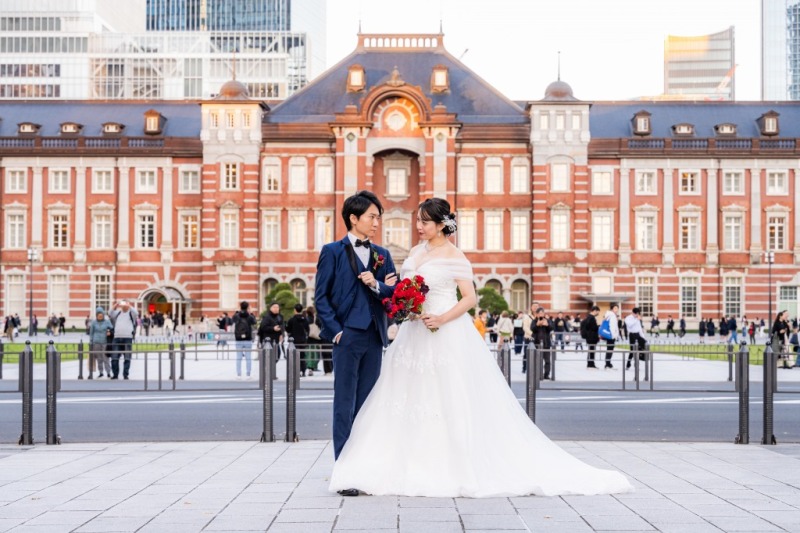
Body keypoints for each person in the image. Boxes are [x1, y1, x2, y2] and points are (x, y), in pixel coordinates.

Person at [329, 198, 633, 497]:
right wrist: (403, 306)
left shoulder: (455, 256)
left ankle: (446, 463)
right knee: (402, 395)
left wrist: (442, 318)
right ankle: (393, 462)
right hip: (414, 332)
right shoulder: (414, 251)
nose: (418, 226)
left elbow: (470, 298)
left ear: (441, 225)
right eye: (418, 220)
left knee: (446, 397)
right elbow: (402, 291)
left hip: (444, 330)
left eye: (424, 221)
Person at [314, 190, 397, 478]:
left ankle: (364, 466)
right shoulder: (332, 251)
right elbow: (321, 297)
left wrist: (377, 284)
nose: (376, 223)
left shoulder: (383, 255)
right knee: (344, 403)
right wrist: (336, 332)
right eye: (372, 217)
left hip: (374, 337)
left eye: (378, 218)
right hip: (347, 336)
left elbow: (393, 296)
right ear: (353, 218)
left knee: (368, 405)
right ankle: (344, 470)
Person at [109, 299, 139, 380]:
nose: (124, 305)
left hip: (127, 338)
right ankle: (115, 374)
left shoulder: (131, 313)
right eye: (123, 303)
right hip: (117, 337)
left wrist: (129, 305)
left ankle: (125, 374)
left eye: (125, 303)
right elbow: (110, 313)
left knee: (127, 357)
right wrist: (116, 304)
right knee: (114, 357)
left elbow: (136, 313)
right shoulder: (118, 313)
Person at [232, 301, 257, 379]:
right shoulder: (249, 316)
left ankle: (238, 374)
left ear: (240, 307)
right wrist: (251, 312)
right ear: (248, 307)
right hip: (248, 339)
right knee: (248, 357)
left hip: (238, 339)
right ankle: (248, 374)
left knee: (238, 358)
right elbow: (255, 322)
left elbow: (232, 320)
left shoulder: (237, 315)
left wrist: (237, 311)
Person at [286, 303, 311, 376]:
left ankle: (297, 371)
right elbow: (308, 329)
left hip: (294, 341)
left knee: (295, 356)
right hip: (303, 340)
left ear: (295, 310)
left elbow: (288, 329)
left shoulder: (291, 320)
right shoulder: (305, 319)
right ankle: (303, 371)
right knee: (302, 356)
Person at [88, 307, 113, 378]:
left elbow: (111, 329)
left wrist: (109, 332)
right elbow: (91, 333)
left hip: (105, 342)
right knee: (99, 358)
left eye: (101, 315)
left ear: (103, 315)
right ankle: (101, 372)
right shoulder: (93, 322)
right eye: (98, 315)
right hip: (96, 342)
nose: (100, 317)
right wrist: (91, 341)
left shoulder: (107, 322)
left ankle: (108, 372)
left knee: (106, 358)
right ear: (96, 315)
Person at [532, 307, 553, 379]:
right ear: (537, 314)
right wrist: (537, 325)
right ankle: (537, 374)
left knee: (547, 360)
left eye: (542, 313)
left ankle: (546, 374)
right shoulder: (534, 321)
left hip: (546, 343)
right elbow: (532, 329)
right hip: (536, 343)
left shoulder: (547, 320)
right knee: (537, 360)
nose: (541, 314)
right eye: (540, 313)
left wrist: (547, 325)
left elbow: (551, 328)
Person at [603, 304, 620, 369]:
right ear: (612, 309)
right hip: (611, 335)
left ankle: (608, 363)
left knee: (609, 349)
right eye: (615, 308)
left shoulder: (610, 315)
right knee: (610, 349)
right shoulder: (612, 315)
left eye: (617, 308)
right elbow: (612, 327)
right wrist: (614, 336)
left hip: (609, 335)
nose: (617, 310)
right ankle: (608, 364)